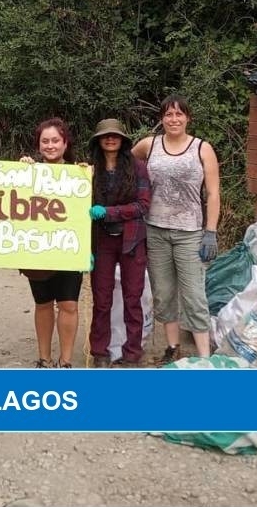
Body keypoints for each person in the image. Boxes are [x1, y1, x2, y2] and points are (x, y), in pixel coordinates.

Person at [131, 94, 220, 362]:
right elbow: (122, 160)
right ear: (161, 119)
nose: (174, 119)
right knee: (163, 293)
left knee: (194, 294)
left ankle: (205, 357)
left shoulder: (202, 148)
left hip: (190, 233)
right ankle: (172, 348)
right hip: (155, 230)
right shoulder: (149, 145)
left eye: (179, 114)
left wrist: (210, 232)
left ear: (188, 118)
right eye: (168, 114)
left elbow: (213, 194)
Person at [18, 118, 84, 368]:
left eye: (55, 140)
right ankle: (43, 359)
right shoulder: (27, 172)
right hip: (36, 249)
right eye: (45, 141)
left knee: (68, 304)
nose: (50, 145)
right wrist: (21, 169)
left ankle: (65, 361)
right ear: (38, 144)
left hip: (68, 248)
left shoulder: (79, 173)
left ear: (65, 143)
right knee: (43, 304)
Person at [87, 119, 151, 368]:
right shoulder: (91, 170)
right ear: (98, 141)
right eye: (105, 136)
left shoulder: (138, 168)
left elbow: (142, 206)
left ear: (123, 140)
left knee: (132, 299)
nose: (110, 139)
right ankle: (99, 352)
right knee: (102, 300)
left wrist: (110, 212)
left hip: (132, 241)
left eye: (115, 136)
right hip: (101, 241)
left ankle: (132, 352)